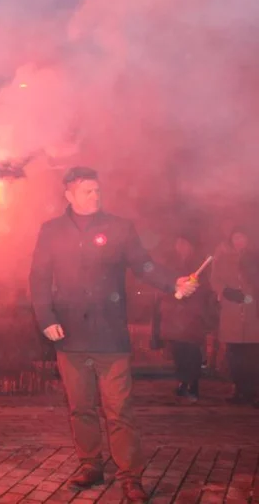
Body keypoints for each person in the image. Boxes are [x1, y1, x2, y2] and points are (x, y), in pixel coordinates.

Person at [29, 167, 199, 502]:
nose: (95, 196)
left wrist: (173, 283)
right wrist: (46, 318)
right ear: (69, 194)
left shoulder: (119, 227)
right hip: (69, 335)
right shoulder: (51, 231)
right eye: (87, 191)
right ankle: (91, 464)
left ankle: (131, 475)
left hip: (110, 337)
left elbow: (144, 265)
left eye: (97, 190)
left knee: (119, 409)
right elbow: (38, 278)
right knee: (81, 407)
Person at [151, 235, 217, 402]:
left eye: (185, 243)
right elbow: (164, 284)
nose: (181, 246)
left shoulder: (199, 265)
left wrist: (193, 292)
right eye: (179, 243)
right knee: (178, 351)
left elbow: (206, 289)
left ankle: (193, 384)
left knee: (192, 352)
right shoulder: (170, 263)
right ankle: (182, 382)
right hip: (173, 315)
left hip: (192, 316)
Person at [211, 228, 259, 406]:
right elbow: (215, 279)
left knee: (253, 355)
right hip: (231, 313)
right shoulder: (223, 259)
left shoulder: (255, 257)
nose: (239, 241)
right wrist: (226, 291)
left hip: (253, 314)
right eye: (236, 238)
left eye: (242, 237)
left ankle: (253, 391)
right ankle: (239, 389)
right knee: (235, 355)